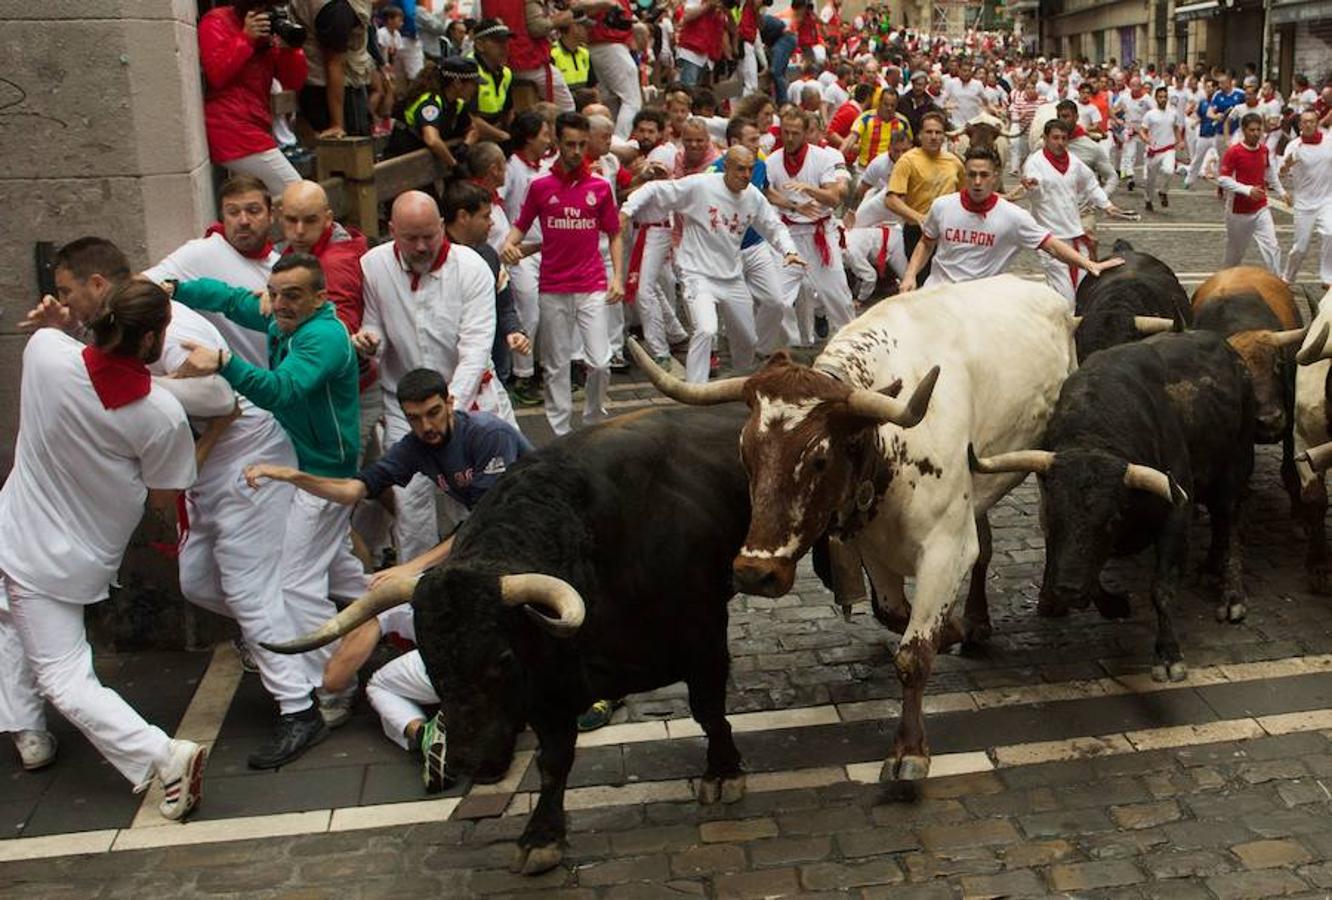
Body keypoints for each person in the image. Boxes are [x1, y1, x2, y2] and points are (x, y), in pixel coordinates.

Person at [39, 238, 322, 769]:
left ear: (99, 287)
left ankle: (299, 707)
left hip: (248, 459)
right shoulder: (123, 321)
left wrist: (147, 383)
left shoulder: (168, 328)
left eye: (66, 291)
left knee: (248, 587)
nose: (66, 300)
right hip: (208, 467)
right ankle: (293, 648)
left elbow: (219, 400)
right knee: (200, 582)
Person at [245, 368, 531, 789]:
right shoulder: (414, 447)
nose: (426, 427)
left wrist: (412, 566)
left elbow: (484, 524)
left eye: (433, 414)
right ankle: (434, 730)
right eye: (415, 418)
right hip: (485, 553)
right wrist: (293, 476)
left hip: (526, 535)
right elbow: (353, 491)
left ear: (450, 402)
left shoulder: (489, 434)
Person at [0, 280, 206, 819]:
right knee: (13, 628)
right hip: (80, 554)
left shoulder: (44, 355)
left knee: (64, 679)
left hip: (29, 552)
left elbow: (60, 343)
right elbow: (167, 492)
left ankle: (164, 755)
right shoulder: (159, 414)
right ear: (151, 340)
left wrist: (61, 324)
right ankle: (27, 728)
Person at [170, 254, 367, 722]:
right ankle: (413, 620)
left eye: (292, 296)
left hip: (322, 476)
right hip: (300, 464)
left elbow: (281, 390)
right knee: (345, 578)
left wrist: (223, 361)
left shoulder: (321, 337)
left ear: (320, 297)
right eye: (274, 294)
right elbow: (231, 299)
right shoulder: (286, 313)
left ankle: (336, 686)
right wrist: (172, 288)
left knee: (296, 585)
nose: (278, 304)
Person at [357, 190, 514, 560]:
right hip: (404, 408)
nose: (422, 246)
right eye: (411, 238)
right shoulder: (373, 266)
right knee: (411, 510)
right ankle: (417, 591)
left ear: (443, 226)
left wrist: (449, 406)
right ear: (391, 230)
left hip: (470, 404)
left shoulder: (472, 267)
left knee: (481, 506)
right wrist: (369, 344)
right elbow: (374, 326)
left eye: (430, 235)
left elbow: (476, 347)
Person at [623, 147, 804, 382]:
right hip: (697, 274)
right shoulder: (700, 186)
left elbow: (773, 227)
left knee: (748, 340)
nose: (746, 175)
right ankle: (696, 387)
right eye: (740, 169)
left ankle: (741, 379)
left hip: (732, 276)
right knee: (706, 329)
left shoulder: (753, 196)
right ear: (726, 166)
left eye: (750, 169)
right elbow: (656, 188)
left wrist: (789, 251)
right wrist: (627, 211)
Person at [502, 112, 624, 435]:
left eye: (582, 145)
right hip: (553, 286)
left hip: (592, 284)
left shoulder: (599, 186)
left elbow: (614, 233)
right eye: (570, 144)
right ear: (557, 143)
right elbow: (520, 226)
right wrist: (509, 245)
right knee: (556, 365)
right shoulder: (539, 186)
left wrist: (618, 278)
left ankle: (594, 419)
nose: (576, 151)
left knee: (599, 361)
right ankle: (560, 432)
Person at [901, 146, 1121, 291]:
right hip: (937, 293)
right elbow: (925, 243)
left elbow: (1051, 245)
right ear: (964, 176)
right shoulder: (942, 206)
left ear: (995, 178)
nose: (977, 181)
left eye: (984, 175)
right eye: (972, 175)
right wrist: (910, 275)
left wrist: (1088, 264)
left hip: (980, 302)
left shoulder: (1013, 217)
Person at [143, 176, 281, 369]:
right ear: (222, 217)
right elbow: (140, 286)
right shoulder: (203, 252)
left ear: (271, 214)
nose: (243, 221)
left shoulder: (281, 266)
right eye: (233, 212)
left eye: (253, 211)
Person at [764, 107, 856, 351]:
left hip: (820, 234)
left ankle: (851, 345)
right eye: (786, 132)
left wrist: (808, 189)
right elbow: (766, 191)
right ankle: (792, 346)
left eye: (795, 132)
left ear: (806, 133)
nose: (790, 137)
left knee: (838, 297)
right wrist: (792, 204)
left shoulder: (823, 158)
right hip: (789, 236)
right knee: (778, 300)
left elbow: (834, 198)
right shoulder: (772, 161)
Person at [199, 0, 307, 194]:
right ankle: (328, 225)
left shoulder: (268, 30)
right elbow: (217, 75)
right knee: (298, 195)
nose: (263, 12)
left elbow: (293, 82)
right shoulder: (216, 21)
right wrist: (245, 38)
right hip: (232, 130)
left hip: (256, 127)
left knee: (269, 205)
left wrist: (290, 49)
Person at [1021, 119, 1131, 302]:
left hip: (1076, 234)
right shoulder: (1035, 163)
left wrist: (1107, 205)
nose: (1060, 142)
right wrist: (1032, 187)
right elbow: (1034, 193)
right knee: (1065, 295)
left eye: (1064, 138)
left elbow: (1091, 184)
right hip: (1052, 239)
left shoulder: (1074, 162)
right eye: (1055, 138)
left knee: (1084, 289)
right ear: (1045, 138)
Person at [501, 111, 553, 406]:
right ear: (530, 137)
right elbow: (498, 203)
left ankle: (542, 369)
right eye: (545, 133)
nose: (549, 139)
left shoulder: (545, 166)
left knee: (546, 312)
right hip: (519, 253)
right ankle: (522, 375)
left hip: (545, 249)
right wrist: (507, 242)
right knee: (528, 311)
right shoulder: (512, 168)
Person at [884, 110, 964, 287]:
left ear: (944, 136)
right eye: (929, 132)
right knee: (923, 284)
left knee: (949, 282)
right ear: (919, 135)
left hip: (948, 233)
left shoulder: (954, 162)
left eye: (938, 132)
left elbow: (965, 195)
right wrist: (918, 217)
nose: (934, 137)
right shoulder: (908, 161)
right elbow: (891, 199)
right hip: (918, 232)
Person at [292, 0, 375, 138]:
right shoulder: (335, 9)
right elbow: (334, 63)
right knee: (351, 151)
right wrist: (337, 123)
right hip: (334, 92)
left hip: (319, 83)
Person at [1218, 112, 1287, 272]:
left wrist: (1282, 192)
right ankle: (1225, 279)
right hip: (1238, 212)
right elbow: (1223, 179)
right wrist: (1246, 189)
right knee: (1235, 253)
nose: (1256, 133)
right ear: (1243, 130)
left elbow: (1269, 172)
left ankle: (1276, 281)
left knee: (1272, 246)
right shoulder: (1234, 152)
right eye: (1252, 130)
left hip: (1261, 208)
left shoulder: (1264, 150)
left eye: (1258, 130)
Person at [385, 57, 480, 166]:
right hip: (403, 165)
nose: (476, 89)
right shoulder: (430, 103)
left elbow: (473, 130)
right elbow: (432, 140)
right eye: (473, 84)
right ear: (457, 83)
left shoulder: (456, 104)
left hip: (425, 165)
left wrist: (465, 145)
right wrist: (453, 164)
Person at [1280, 110, 1332, 289]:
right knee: (1300, 248)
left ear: (1317, 123)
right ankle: (1288, 277)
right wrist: (1286, 166)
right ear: (1300, 125)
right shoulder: (1294, 146)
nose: (1308, 125)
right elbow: (1282, 172)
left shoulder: (1329, 142)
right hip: (1304, 204)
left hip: (1327, 201)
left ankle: (1327, 277)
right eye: (1305, 122)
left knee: (1331, 234)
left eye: (1312, 121)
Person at [469, 19, 517, 141]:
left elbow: (508, 112)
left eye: (506, 41)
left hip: (495, 134)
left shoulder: (506, 73)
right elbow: (471, 119)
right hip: (472, 138)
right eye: (498, 42)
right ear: (480, 45)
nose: (505, 47)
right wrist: (502, 136)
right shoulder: (469, 71)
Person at [842, 87, 913, 170]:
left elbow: (909, 146)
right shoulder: (866, 118)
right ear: (879, 102)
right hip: (864, 168)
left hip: (892, 170)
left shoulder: (903, 122)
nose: (889, 108)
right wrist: (839, 159)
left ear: (897, 105)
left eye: (892, 105)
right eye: (886, 104)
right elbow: (851, 138)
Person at [1139, 84, 1184, 212]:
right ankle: (1148, 199)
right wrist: (1146, 139)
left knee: (1169, 171)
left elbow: (1176, 128)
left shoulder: (1173, 113)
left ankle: (1163, 191)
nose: (1163, 99)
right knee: (1149, 179)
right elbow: (1142, 130)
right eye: (1160, 97)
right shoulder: (1150, 114)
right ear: (1156, 98)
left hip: (1168, 149)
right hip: (1153, 151)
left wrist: (1180, 141)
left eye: (1165, 97)